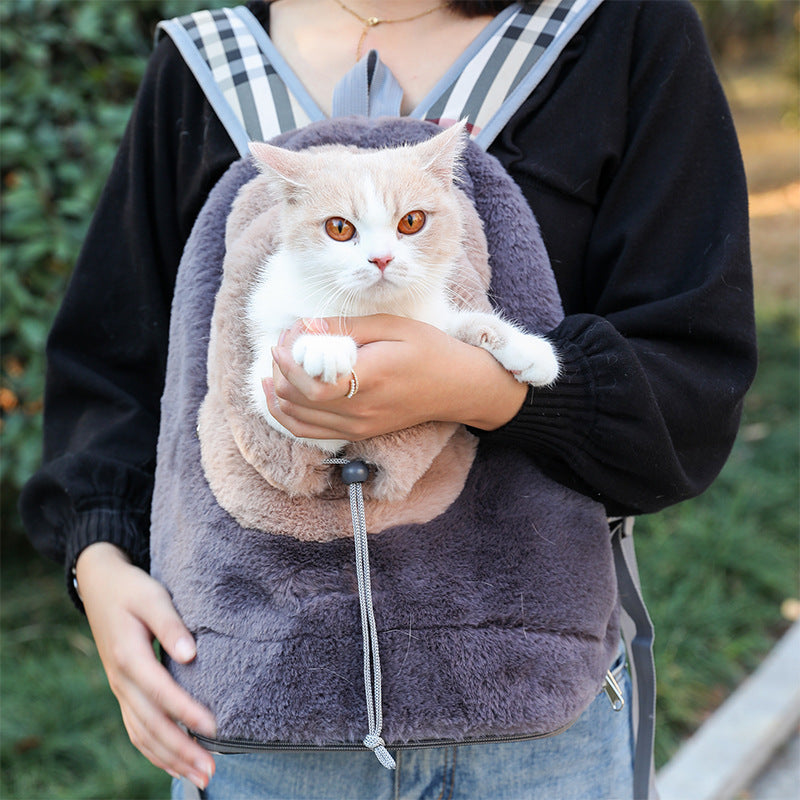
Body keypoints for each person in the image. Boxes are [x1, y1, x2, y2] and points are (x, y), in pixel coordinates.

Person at [20, 1, 756, 797]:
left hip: (534, 717)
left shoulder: (615, 30)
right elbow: (112, 365)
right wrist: (98, 559)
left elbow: (690, 376)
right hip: (257, 713)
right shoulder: (207, 63)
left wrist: (486, 390)